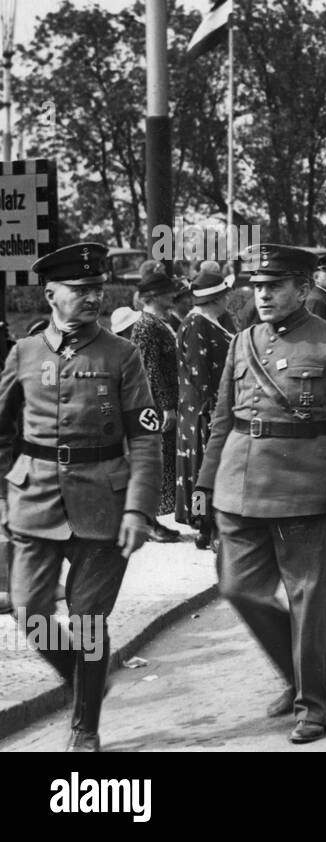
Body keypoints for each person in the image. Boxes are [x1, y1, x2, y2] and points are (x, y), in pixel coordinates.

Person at [194, 243, 326, 744]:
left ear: (302, 288)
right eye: (256, 287)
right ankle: (297, 674)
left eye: (274, 286)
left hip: (307, 486)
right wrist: (205, 482)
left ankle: (314, 704)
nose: (263, 295)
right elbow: (221, 418)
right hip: (239, 484)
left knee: (309, 599)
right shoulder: (243, 341)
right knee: (237, 587)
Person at [0, 242, 162, 751]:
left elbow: (145, 436)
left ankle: (83, 726)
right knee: (29, 612)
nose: (92, 297)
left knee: (88, 620)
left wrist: (138, 508)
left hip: (104, 505)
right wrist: (4, 499)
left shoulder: (122, 354)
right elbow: (2, 433)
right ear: (50, 294)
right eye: (80, 289)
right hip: (35, 502)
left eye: (97, 289)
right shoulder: (24, 354)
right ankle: (85, 676)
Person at [175, 265, 237, 550]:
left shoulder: (216, 319)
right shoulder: (196, 324)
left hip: (213, 405)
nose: (229, 298)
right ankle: (206, 527)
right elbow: (199, 372)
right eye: (225, 293)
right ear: (215, 298)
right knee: (203, 471)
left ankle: (208, 526)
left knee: (207, 470)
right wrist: (213, 407)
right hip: (204, 409)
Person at [129, 261, 184, 542]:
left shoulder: (162, 323)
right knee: (156, 465)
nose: (171, 298)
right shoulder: (146, 328)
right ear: (152, 297)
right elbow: (151, 371)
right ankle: (150, 521)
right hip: (155, 408)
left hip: (165, 405)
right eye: (166, 294)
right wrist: (165, 407)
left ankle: (154, 520)